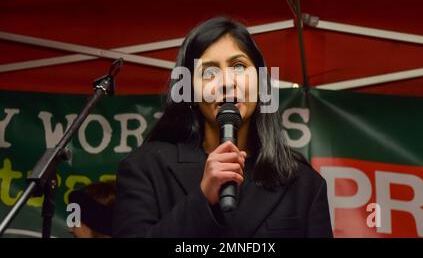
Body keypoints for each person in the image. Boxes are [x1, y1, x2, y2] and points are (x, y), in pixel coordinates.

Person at [113, 17, 333, 237]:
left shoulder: (302, 183)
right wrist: (202, 198)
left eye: (239, 66)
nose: (227, 82)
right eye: (209, 72)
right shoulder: (146, 168)